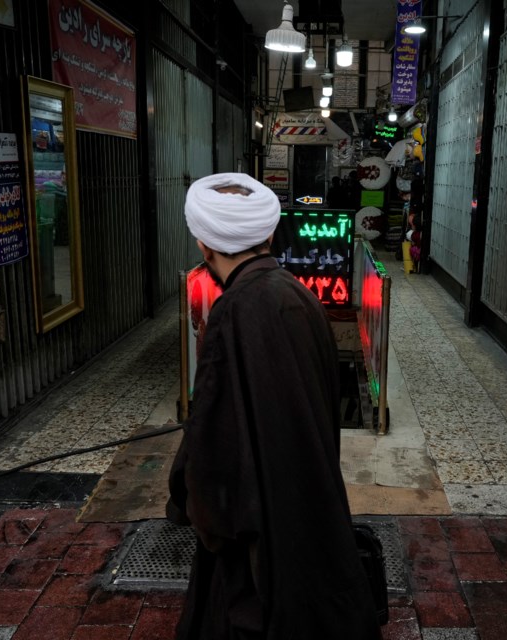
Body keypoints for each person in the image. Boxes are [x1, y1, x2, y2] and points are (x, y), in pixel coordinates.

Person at [167, 173, 381, 639]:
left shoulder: (230, 314)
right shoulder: (301, 296)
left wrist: (190, 501)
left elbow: (215, 453)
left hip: (258, 544)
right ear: (267, 235)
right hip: (312, 508)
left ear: (204, 246)